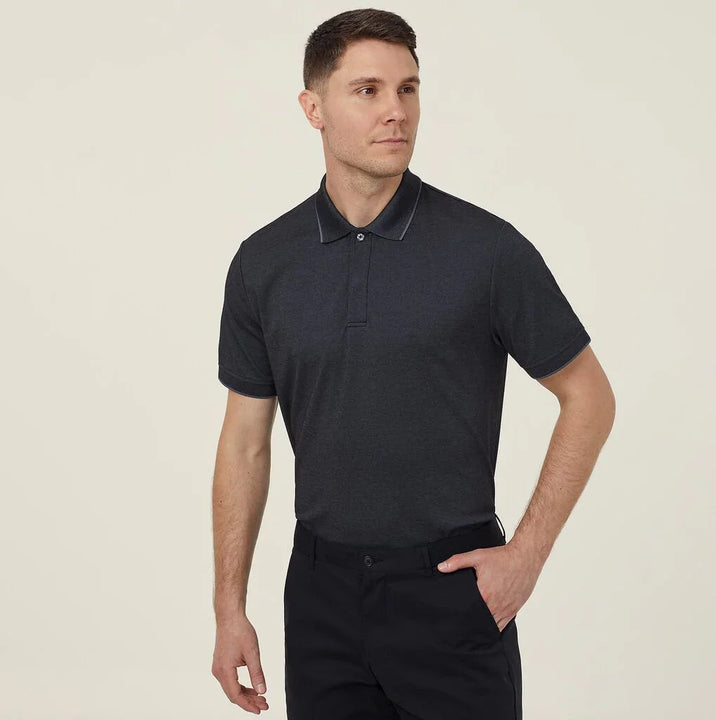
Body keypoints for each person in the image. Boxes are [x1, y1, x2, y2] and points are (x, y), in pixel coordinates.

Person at [211, 8, 615, 719]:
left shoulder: (487, 251)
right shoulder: (263, 263)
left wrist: (526, 555)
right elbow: (245, 441)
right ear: (313, 108)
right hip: (320, 598)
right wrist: (228, 607)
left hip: (453, 588)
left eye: (408, 89)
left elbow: (590, 396)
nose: (395, 110)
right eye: (367, 90)